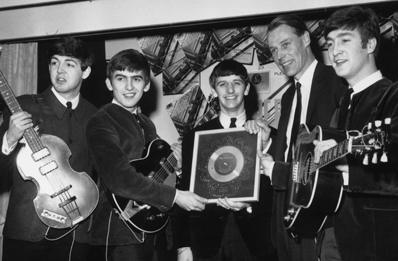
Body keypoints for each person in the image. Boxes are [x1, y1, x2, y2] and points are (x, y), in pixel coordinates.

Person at [313, 6, 398, 261]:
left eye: (345, 40)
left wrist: (346, 173)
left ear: (370, 45)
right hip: (333, 244)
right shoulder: (342, 104)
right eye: (330, 44)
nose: (334, 51)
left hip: (379, 248)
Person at [85, 49, 207, 261]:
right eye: (121, 79)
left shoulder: (146, 123)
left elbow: (154, 172)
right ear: (108, 83)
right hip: (119, 235)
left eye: (137, 79)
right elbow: (120, 179)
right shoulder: (101, 121)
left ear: (147, 85)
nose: (130, 87)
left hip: (153, 229)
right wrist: (176, 197)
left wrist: (174, 165)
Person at [244, 14, 346, 260]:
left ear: (306, 38)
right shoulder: (290, 95)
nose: (279, 56)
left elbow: (339, 152)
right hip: (286, 221)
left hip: (319, 222)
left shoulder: (338, 82)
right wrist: (270, 141)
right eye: (273, 50)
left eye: (286, 44)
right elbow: (292, 150)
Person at [0, 37, 98, 261]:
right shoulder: (23, 105)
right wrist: (9, 138)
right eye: (54, 62)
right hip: (26, 232)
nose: (59, 70)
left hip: (76, 234)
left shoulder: (95, 116)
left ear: (85, 72)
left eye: (69, 64)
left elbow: (104, 174)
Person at [172, 59, 277, 261]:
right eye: (222, 84)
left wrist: (264, 146)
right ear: (214, 90)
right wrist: (182, 245)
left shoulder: (269, 135)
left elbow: (279, 192)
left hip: (255, 241)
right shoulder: (195, 137)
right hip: (207, 241)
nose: (230, 90)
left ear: (246, 89)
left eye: (237, 83)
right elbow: (183, 190)